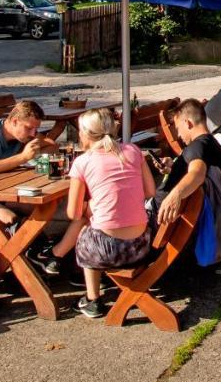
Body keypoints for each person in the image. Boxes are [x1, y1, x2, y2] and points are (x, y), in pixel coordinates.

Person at [59, 108, 156, 319]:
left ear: (85, 134)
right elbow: (150, 191)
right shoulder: (132, 151)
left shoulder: (82, 163)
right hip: (141, 246)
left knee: (86, 233)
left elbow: (73, 213)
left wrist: (91, 205)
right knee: (97, 227)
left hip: (105, 252)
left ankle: (93, 299)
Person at [154, 100, 221, 263]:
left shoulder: (196, 147)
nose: (179, 135)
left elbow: (197, 173)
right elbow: (198, 170)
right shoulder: (212, 143)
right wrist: (174, 168)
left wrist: (175, 194)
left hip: (162, 216)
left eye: (178, 128)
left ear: (187, 123)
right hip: (189, 208)